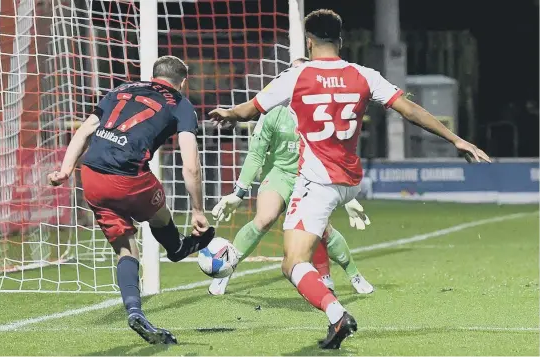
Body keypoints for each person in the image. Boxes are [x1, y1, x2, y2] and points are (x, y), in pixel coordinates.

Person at [209, 9, 490, 349]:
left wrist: (228, 113)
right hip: (351, 180)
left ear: (309, 42)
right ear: (340, 41)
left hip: (318, 181)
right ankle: (338, 291)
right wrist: (456, 139)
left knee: (292, 262)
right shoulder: (363, 75)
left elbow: (249, 111)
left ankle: (337, 314)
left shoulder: (297, 76)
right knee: (313, 235)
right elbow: (411, 110)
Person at [47, 56, 215, 345]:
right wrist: (198, 209)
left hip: (91, 175)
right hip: (129, 178)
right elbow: (191, 164)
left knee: (126, 249)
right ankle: (176, 246)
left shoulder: (121, 89)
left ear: (153, 75)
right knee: (159, 212)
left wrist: (64, 170)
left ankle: (135, 311)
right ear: (183, 81)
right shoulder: (180, 103)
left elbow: (85, 130)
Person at [209, 58, 373, 296]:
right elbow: (256, 155)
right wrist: (238, 192)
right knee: (264, 219)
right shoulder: (273, 113)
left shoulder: (321, 114)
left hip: (310, 177)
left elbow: (337, 153)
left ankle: (354, 274)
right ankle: (226, 270)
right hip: (279, 175)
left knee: (324, 231)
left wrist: (347, 197)